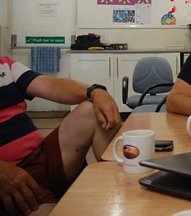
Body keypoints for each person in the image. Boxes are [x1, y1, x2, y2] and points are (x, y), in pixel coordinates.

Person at [0, 56, 121, 215]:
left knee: (92, 108)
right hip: (9, 178)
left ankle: (121, 188)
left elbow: (50, 85)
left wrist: (94, 91)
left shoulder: (4, 65)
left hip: (40, 157)